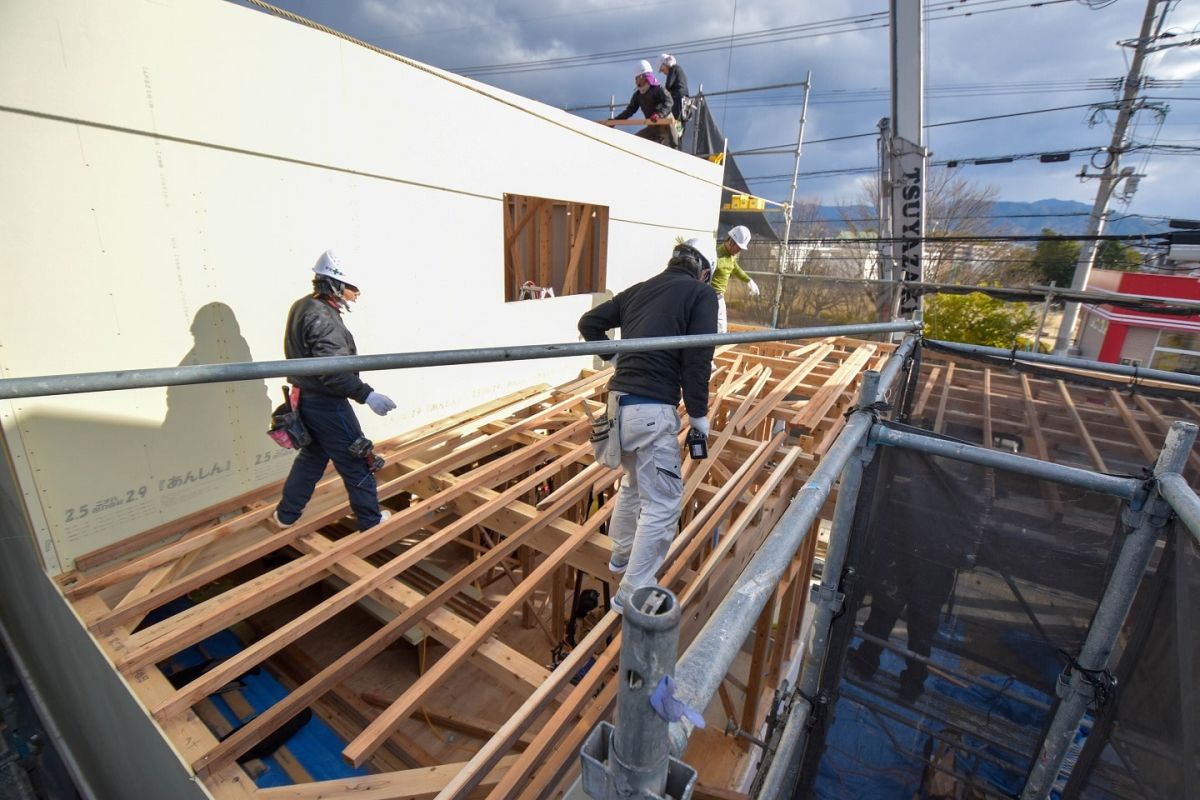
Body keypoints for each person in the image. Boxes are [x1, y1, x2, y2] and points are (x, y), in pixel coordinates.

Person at [578, 238, 719, 613]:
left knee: (634, 484)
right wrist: (700, 417)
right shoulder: (701, 295)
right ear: (704, 272)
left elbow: (589, 323)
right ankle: (633, 592)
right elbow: (698, 356)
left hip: (616, 407)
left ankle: (621, 558)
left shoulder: (638, 291)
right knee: (663, 504)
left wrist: (612, 353)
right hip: (651, 411)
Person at [272, 250, 396, 532]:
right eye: (353, 288)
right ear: (335, 284)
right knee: (356, 459)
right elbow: (333, 371)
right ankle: (370, 520)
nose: (356, 294)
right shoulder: (323, 319)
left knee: (313, 457)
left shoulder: (304, 306)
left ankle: (286, 515)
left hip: (305, 398)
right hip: (327, 404)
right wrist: (367, 394)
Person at [610, 59, 674, 147]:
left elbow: (669, 102)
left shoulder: (658, 89)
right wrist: (615, 121)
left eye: (636, 78)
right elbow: (629, 111)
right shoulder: (638, 95)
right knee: (634, 143)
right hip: (653, 129)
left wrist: (659, 114)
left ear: (642, 77)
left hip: (666, 129)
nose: (635, 81)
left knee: (669, 151)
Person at [711, 225, 760, 332]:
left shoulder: (731, 258)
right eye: (738, 247)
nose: (739, 251)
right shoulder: (716, 256)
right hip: (709, 297)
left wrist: (748, 280)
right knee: (711, 330)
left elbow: (736, 269)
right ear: (731, 242)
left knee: (721, 331)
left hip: (719, 298)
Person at [658, 54, 689, 141]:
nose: (663, 72)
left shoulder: (673, 69)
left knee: (675, 121)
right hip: (683, 100)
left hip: (678, 98)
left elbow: (668, 85)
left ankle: (676, 141)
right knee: (679, 123)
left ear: (665, 64)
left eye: (662, 69)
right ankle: (678, 140)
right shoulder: (679, 70)